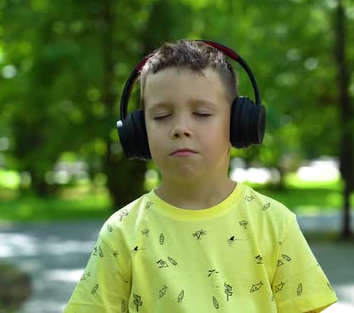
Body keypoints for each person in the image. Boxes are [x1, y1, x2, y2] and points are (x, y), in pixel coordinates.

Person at [65, 40, 337, 312]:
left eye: (202, 113)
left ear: (238, 125)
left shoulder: (274, 224)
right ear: (138, 132)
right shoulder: (122, 232)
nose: (180, 128)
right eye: (161, 116)